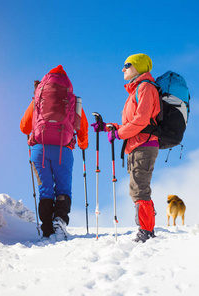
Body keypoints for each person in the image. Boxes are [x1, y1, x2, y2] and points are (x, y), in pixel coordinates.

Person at [92, 53, 160, 242]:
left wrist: (118, 134)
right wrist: (108, 127)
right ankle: (147, 229)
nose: (123, 69)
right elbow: (134, 123)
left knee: (139, 188)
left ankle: (146, 231)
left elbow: (142, 121)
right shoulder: (135, 91)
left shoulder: (145, 87)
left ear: (139, 67)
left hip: (144, 145)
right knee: (136, 189)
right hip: (136, 145)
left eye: (127, 65)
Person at [20, 65, 88, 241]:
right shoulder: (73, 100)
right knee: (63, 188)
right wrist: (82, 144)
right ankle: (60, 220)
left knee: (45, 189)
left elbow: (23, 127)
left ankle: (47, 230)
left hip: (39, 149)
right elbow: (82, 127)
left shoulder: (37, 100)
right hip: (63, 150)